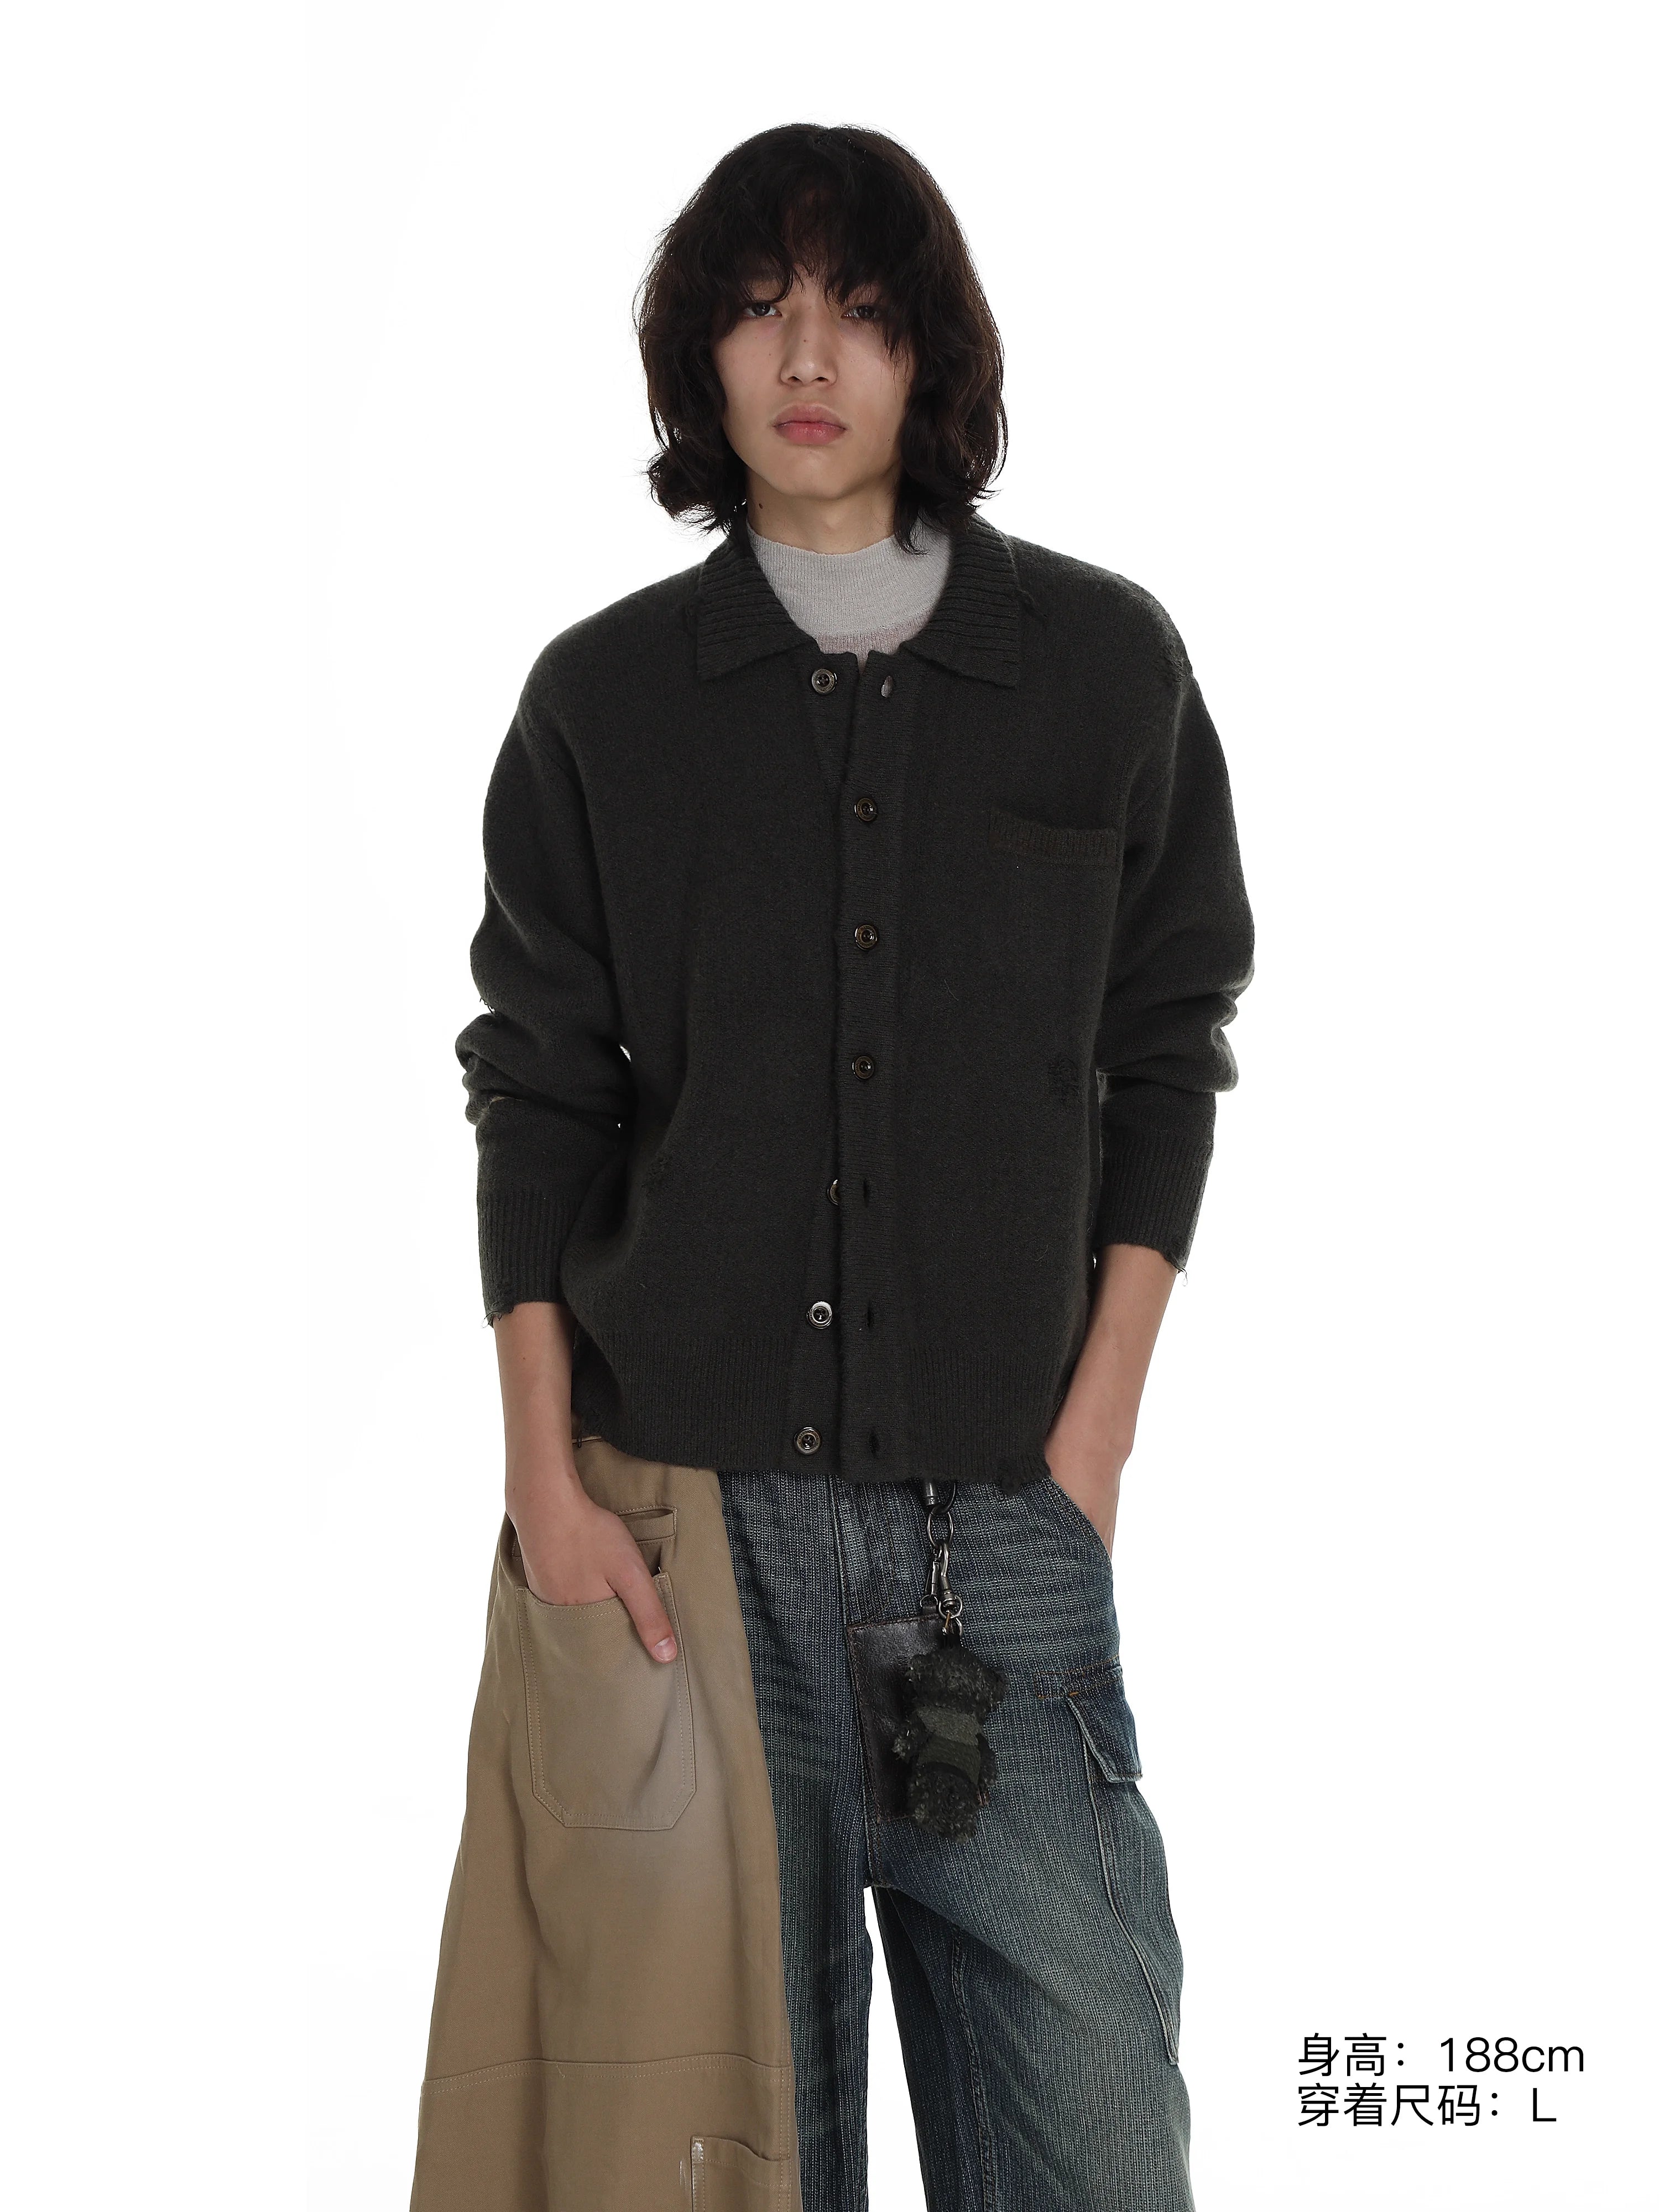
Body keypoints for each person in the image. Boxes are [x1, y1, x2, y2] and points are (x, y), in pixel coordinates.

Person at [411, 123, 1254, 2212]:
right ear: (697, 352)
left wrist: (1090, 1450)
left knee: (1095, 2141)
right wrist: (544, 1486)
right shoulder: (602, 705)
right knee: (723, 2157)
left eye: (864, 312)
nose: (810, 358)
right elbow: (539, 1093)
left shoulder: (1106, 670)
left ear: (930, 355)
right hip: (690, 1546)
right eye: (762, 307)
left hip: (1010, 1526)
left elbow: (1166, 1053)